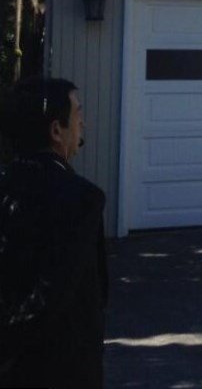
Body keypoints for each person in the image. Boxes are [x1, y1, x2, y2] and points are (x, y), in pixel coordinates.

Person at [0, 77, 108, 388]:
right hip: (61, 369)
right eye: (77, 114)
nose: (83, 123)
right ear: (56, 131)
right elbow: (61, 297)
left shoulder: (7, 189)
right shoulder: (81, 200)